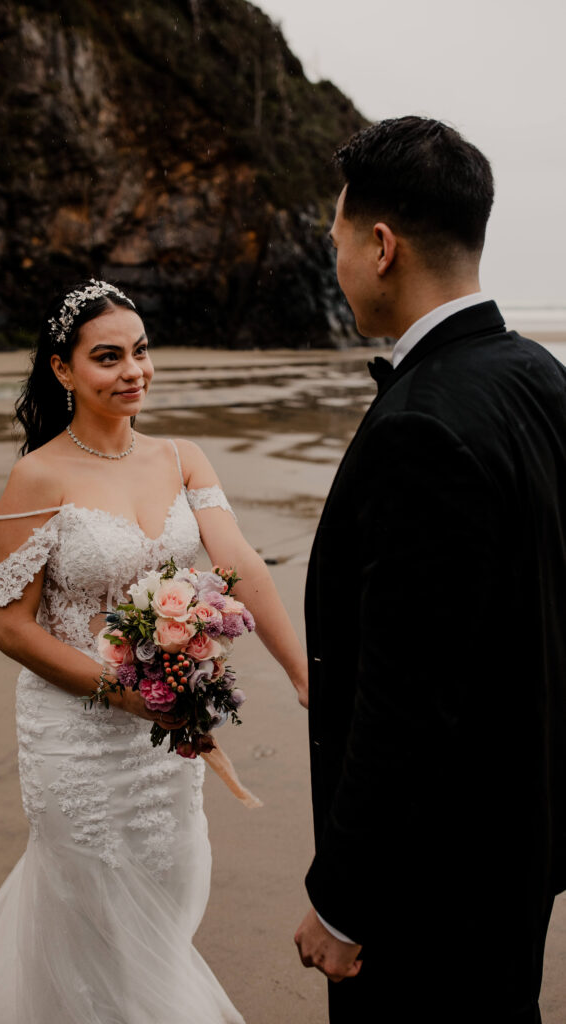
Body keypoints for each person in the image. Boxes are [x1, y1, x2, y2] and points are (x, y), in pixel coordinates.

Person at [0, 278, 308, 1024]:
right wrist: (125, 690)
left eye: (141, 352)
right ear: (63, 370)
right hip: (78, 734)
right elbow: (12, 627)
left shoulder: (183, 458)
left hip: (166, 740)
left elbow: (240, 565)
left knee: (171, 889)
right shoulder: (37, 475)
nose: (133, 372)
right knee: (95, 912)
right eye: (108, 357)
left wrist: (298, 670)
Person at [294, 117, 566, 1023]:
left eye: (335, 241)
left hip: (431, 884)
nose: (333, 266)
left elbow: (406, 703)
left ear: (380, 247)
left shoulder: (421, 426)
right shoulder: (541, 376)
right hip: (522, 839)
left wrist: (343, 899)